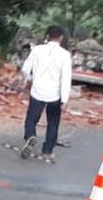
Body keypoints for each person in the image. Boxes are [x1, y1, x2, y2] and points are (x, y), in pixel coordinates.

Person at [20, 25, 73, 164]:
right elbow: (66, 78)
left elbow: (25, 69)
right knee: (53, 123)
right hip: (55, 95)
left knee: (32, 119)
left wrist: (30, 79)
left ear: (47, 36)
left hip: (37, 90)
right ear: (61, 38)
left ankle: (30, 136)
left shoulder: (37, 50)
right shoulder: (65, 55)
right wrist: (65, 99)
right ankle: (47, 151)